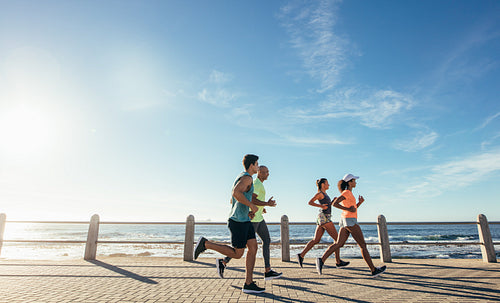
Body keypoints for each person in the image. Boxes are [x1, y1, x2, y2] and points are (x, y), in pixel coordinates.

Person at [193, 154, 265, 294]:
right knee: (238, 254)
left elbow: (233, 199)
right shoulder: (247, 178)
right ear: (251, 165)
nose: (258, 166)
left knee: (253, 247)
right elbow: (236, 193)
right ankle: (205, 244)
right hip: (238, 222)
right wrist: (251, 205)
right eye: (257, 164)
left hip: (244, 220)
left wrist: (246, 211)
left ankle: (248, 283)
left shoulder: (242, 177)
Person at [217, 165, 282, 281]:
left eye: (268, 171)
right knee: (242, 246)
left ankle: (268, 270)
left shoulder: (260, 184)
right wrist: (266, 204)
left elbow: (254, 200)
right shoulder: (256, 183)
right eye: (266, 172)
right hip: (252, 219)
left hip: (259, 217)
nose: (268, 174)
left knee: (266, 240)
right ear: (259, 173)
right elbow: (252, 199)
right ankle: (223, 262)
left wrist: (262, 208)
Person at [315, 174, 386, 277]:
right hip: (350, 221)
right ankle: (373, 270)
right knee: (363, 245)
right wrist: (349, 209)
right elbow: (335, 203)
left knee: (339, 243)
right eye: (354, 180)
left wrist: (359, 203)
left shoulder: (348, 193)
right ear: (349, 182)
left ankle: (321, 260)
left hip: (345, 220)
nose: (355, 182)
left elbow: (352, 208)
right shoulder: (347, 192)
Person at [296, 178, 349, 268]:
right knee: (337, 240)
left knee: (316, 240)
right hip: (325, 218)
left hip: (323, 218)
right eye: (327, 183)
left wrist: (332, 202)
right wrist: (320, 206)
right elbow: (310, 202)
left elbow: (326, 206)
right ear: (323, 184)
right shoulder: (320, 194)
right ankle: (338, 262)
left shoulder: (325, 194)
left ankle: (301, 255)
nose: (329, 185)